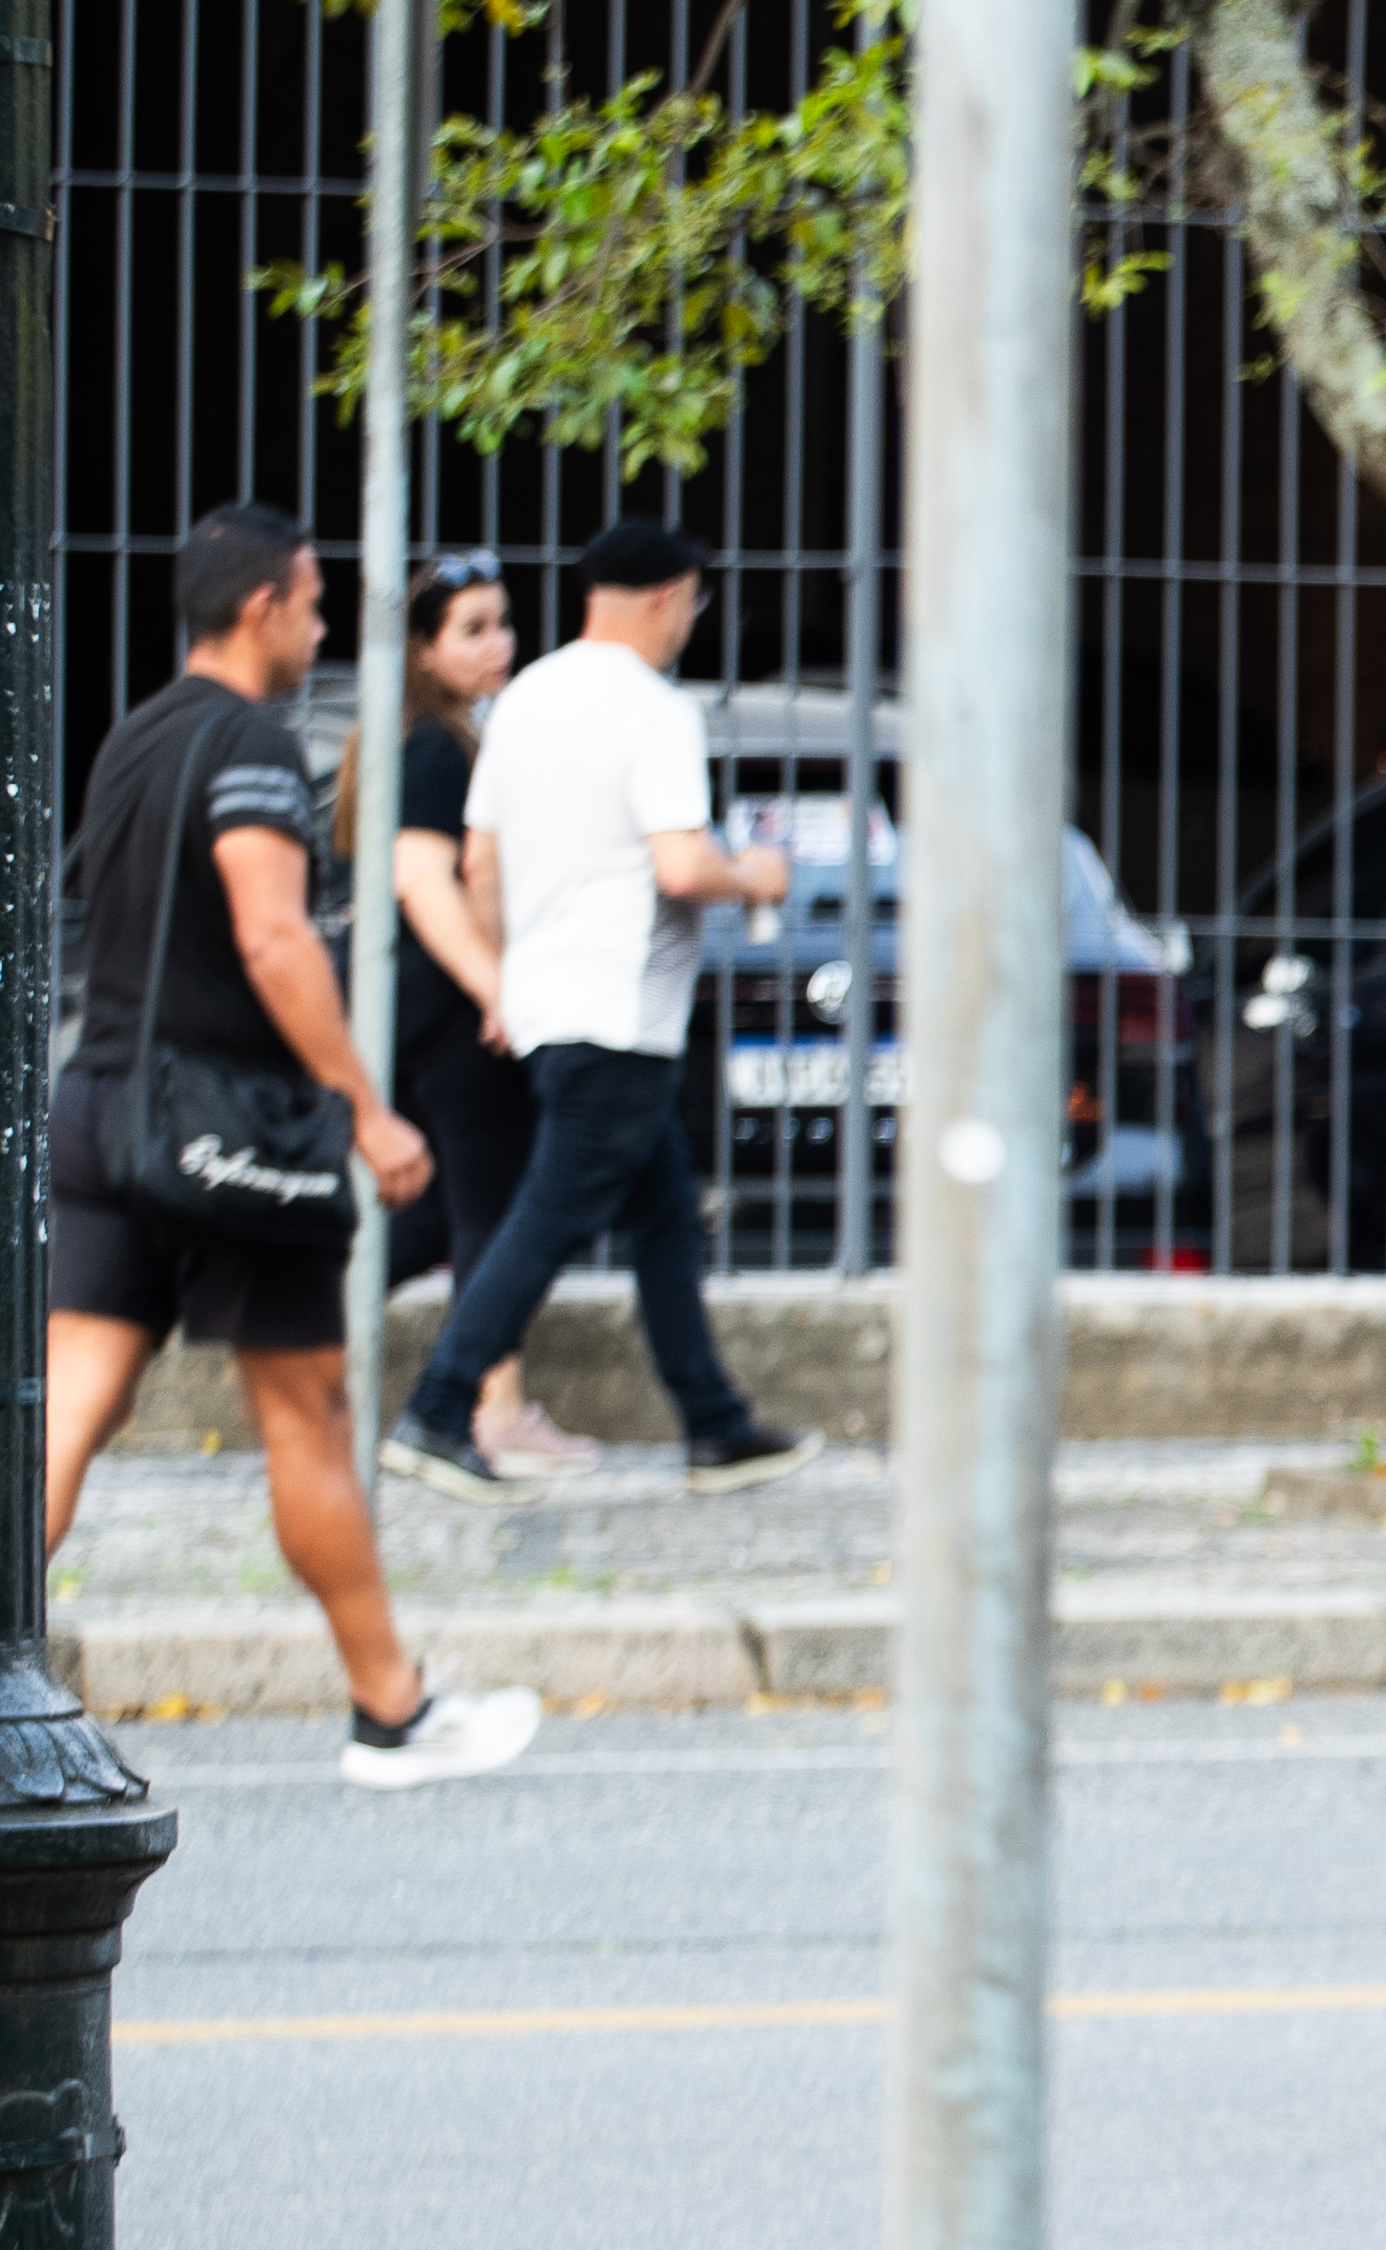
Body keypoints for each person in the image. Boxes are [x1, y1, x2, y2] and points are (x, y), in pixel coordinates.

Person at [44, 508, 545, 1794]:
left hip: (103, 1107)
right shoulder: (255, 749)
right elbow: (273, 939)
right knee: (310, 1420)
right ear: (263, 606)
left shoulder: (133, 739)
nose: (324, 630)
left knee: (71, 1408)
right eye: (316, 604)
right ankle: (393, 1709)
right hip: (229, 1137)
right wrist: (366, 1106)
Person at [379, 519, 826, 1507]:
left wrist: (508, 977)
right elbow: (679, 863)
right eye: (695, 604)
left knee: (665, 1207)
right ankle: (440, 1408)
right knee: (544, 1216)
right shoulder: (652, 710)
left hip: (549, 1004)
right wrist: (751, 871)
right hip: (621, 1007)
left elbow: (480, 859)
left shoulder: (526, 698)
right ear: (671, 597)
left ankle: (714, 1423)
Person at [351, 549, 591, 1480]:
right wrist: (499, 990)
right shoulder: (434, 745)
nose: (499, 644)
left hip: (439, 1004)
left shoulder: (443, 737)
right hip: (455, 1008)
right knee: (495, 1203)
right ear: (423, 648)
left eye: (503, 623)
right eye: (473, 629)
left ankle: (316, 1312)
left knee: (442, 1211)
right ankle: (493, 1412)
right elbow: (423, 881)